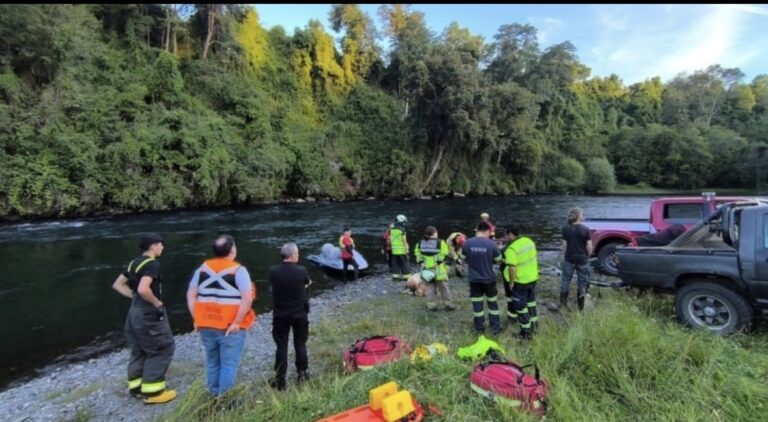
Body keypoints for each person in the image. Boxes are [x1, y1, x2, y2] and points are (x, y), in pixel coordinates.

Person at [186, 235, 255, 398]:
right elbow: (247, 298)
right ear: (232, 250)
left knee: (212, 362)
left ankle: (213, 395)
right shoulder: (239, 270)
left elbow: (190, 295)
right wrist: (237, 322)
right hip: (229, 326)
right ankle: (226, 401)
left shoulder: (202, 269)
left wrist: (196, 318)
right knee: (229, 364)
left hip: (206, 324)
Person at [111, 233, 176, 404]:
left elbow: (118, 285)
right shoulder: (152, 264)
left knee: (139, 349)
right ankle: (153, 393)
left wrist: (134, 297)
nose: (162, 247)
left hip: (134, 312)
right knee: (161, 348)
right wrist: (157, 303)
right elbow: (143, 289)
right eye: (160, 244)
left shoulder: (134, 262)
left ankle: (136, 388)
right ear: (153, 246)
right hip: (148, 313)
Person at [269, 242, 312, 391]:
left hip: (280, 315)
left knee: (281, 346)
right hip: (299, 314)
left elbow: (273, 287)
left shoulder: (273, 271)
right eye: (297, 253)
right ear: (293, 255)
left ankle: (280, 380)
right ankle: (302, 374)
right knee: (300, 344)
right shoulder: (302, 270)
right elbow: (307, 283)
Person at [461, 222, 502, 335]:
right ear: (488, 231)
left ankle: (479, 328)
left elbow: (463, 258)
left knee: (477, 305)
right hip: (489, 279)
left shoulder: (467, 243)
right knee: (492, 304)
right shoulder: (492, 244)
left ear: (477, 230)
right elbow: (499, 260)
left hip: (474, 280)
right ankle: (495, 329)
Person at [501, 226, 539, 339]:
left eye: (505, 235)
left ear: (510, 234)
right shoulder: (529, 241)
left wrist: (511, 282)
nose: (504, 237)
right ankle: (535, 326)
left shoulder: (511, 249)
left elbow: (512, 268)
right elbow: (529, 257)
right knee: (531, 303)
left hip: (520, 281)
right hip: (532, 277)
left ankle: (526, 333)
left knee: (520, 307)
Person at [414, 226, 455, 311]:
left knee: (430, 289)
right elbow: (445, 254)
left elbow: (417, 255)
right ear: (435, 233)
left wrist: (422, 262)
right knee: (444, 288)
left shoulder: (420, 243)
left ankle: (431, 306)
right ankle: (448, 305)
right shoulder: (440, 242)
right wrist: (437, 263)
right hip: (439, 271)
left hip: (427, 271)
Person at [561, 207, 593, 311]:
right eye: (582, 214)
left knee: (565, 280)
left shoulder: (565, 228)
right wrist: (588, 256)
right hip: (582, 259)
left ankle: (563, 305)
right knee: (582, 282)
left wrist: (564, 256)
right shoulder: (585, 229)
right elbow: (589, 246)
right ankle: (581, 307)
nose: (583, 216)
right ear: (579, 216)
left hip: (569, 258)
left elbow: (564, 245)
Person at [388, 215, 410, 281]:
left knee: (395, 263)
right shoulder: (402, 230)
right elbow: (404, 240)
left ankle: (395, 276)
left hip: (394, 250)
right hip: (402, 250)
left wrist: (389, 246)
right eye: (404, 222)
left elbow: (389, 239)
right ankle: (406, 276)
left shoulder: (391, 229)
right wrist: (407, 249)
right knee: (404, 263)